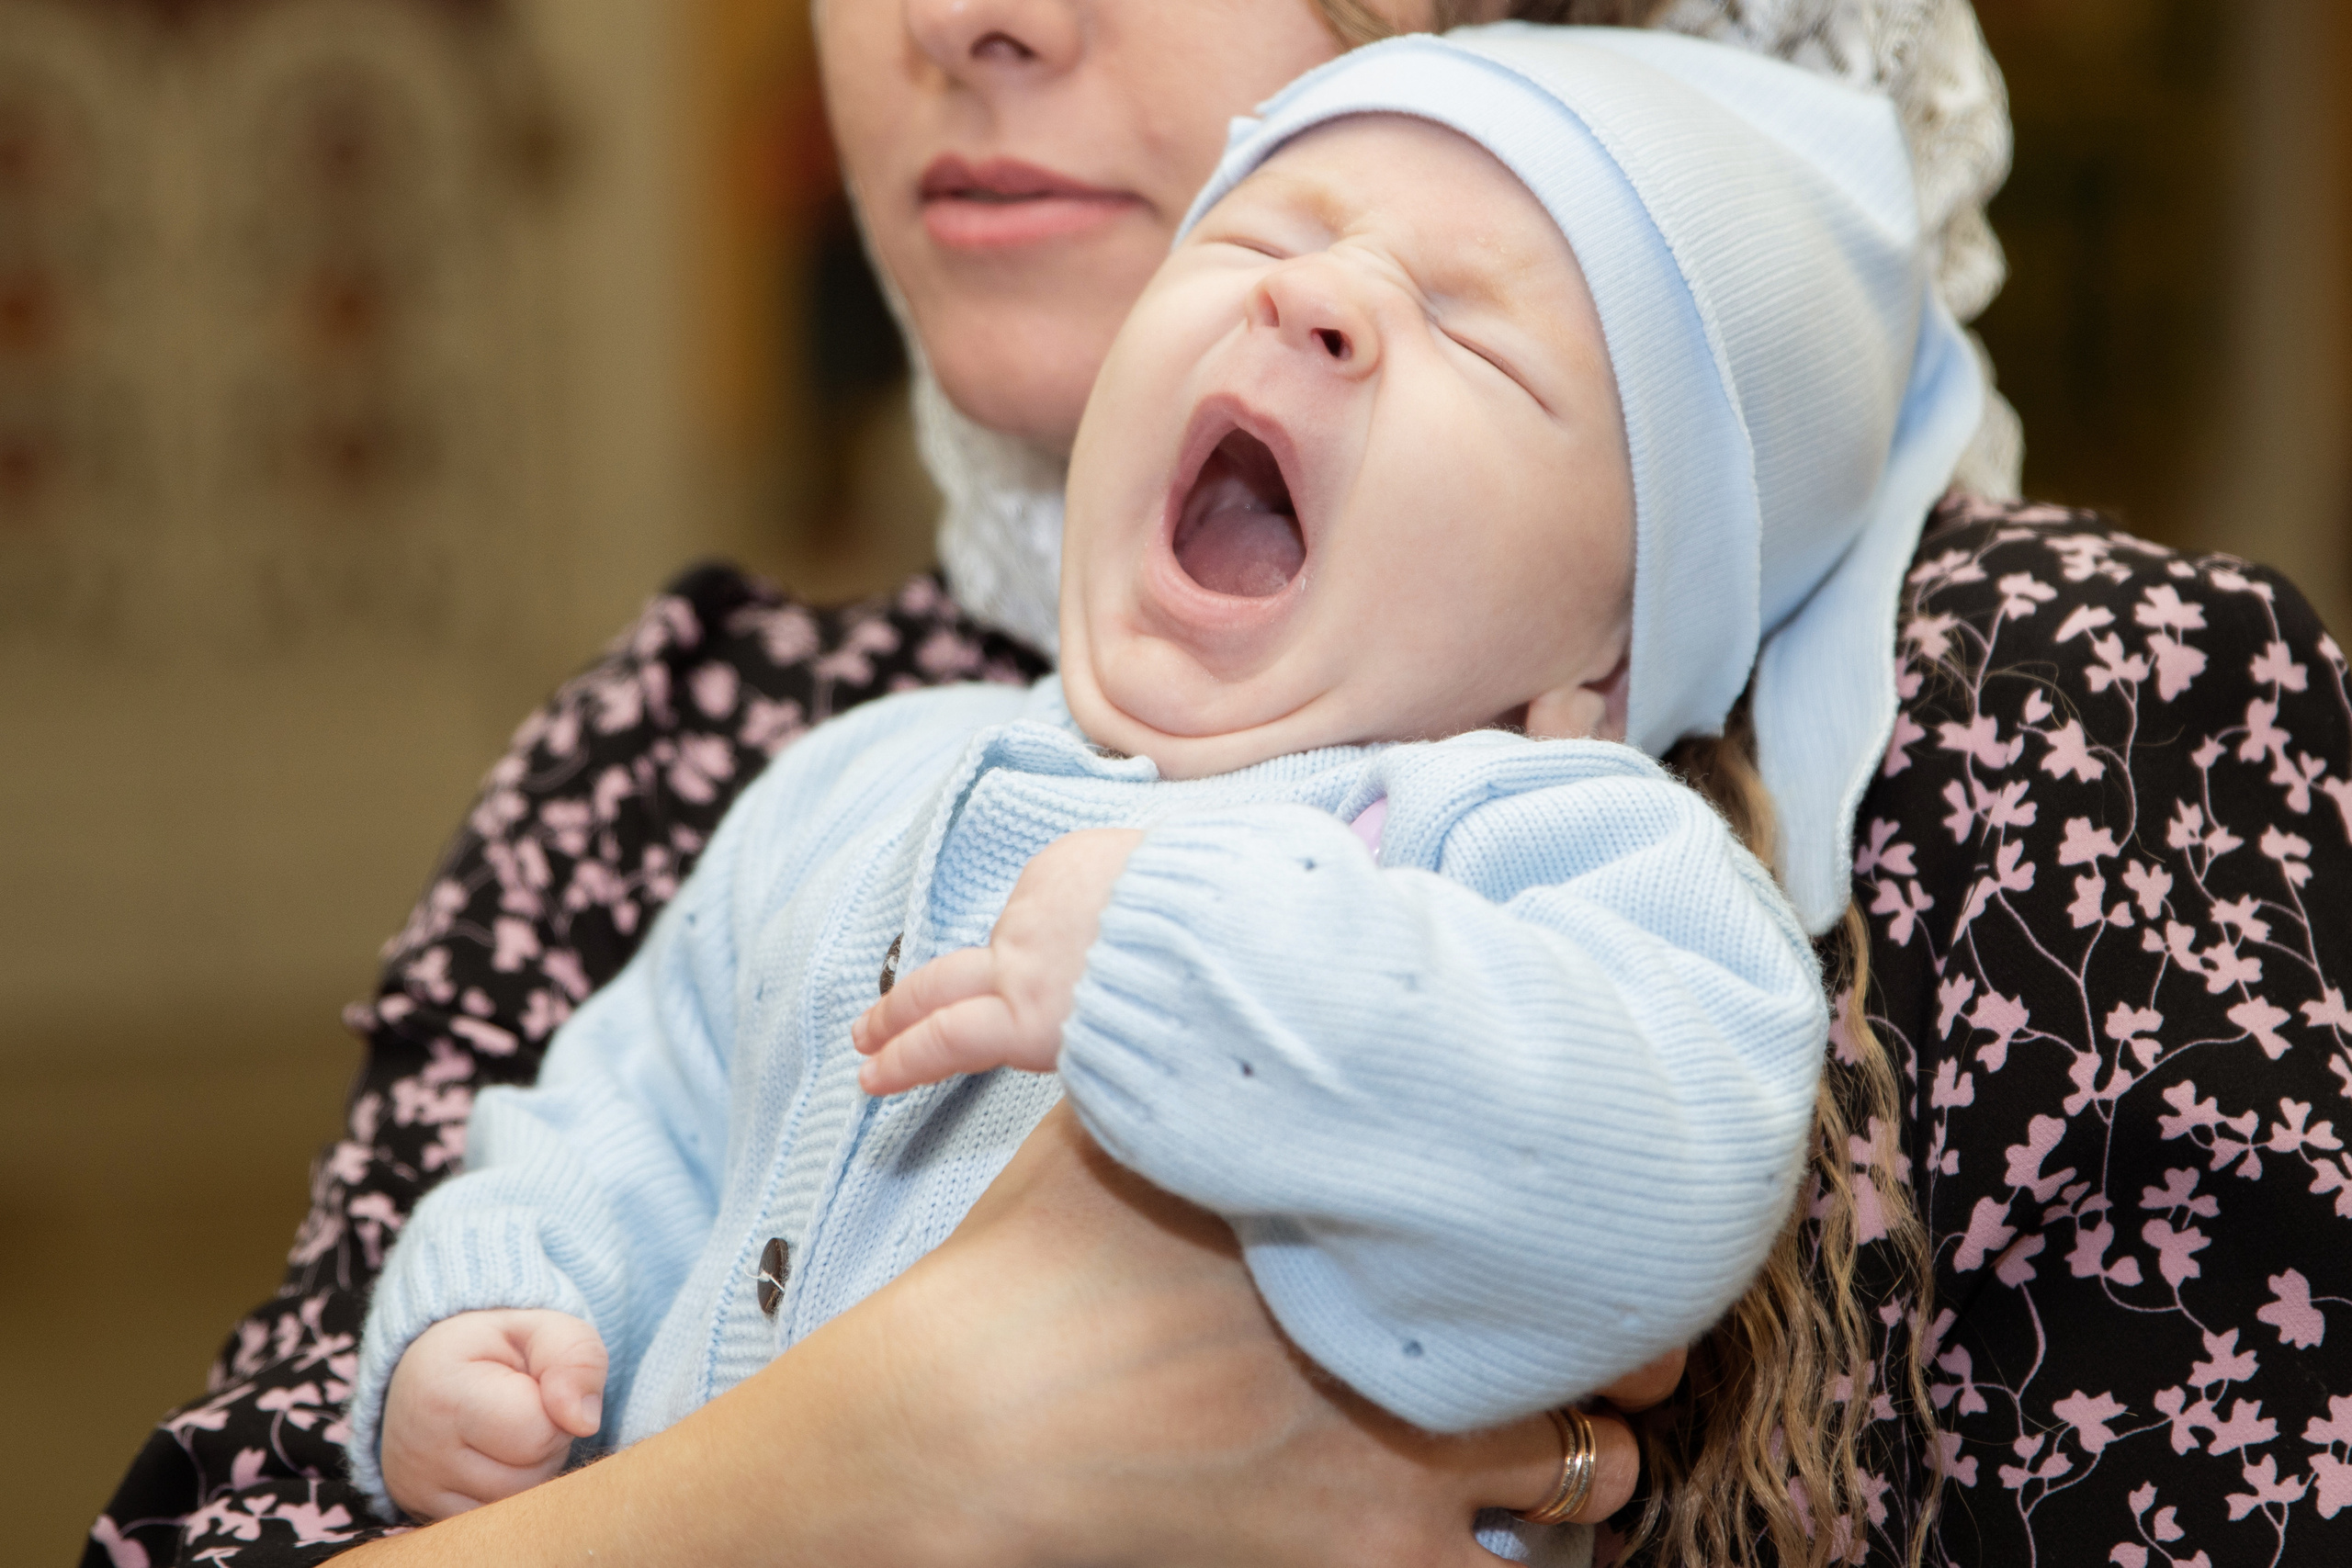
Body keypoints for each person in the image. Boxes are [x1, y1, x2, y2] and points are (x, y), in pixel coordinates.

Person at [86, 2, 2352, 1565]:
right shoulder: (797, 766)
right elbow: (628, 1095)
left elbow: (1672, 1110)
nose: (963, 13)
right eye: (1261, 251)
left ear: (1601, 660)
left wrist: (1172, 961)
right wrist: (523, 1307)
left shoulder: (1536, 830)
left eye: (1464, 318)